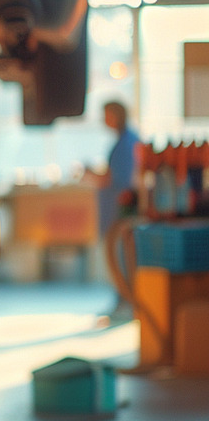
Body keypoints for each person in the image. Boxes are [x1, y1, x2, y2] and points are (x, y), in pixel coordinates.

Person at [86, 100, 140, 318]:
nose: (103, 120)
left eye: (106, 115)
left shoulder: (126, 144)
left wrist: (92, 175)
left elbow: (119, 179)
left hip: (121, 214)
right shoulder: (123, 142)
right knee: (120, 260)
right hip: (116, 213)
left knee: (123, 260)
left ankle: (128, 303)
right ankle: (124, 301)